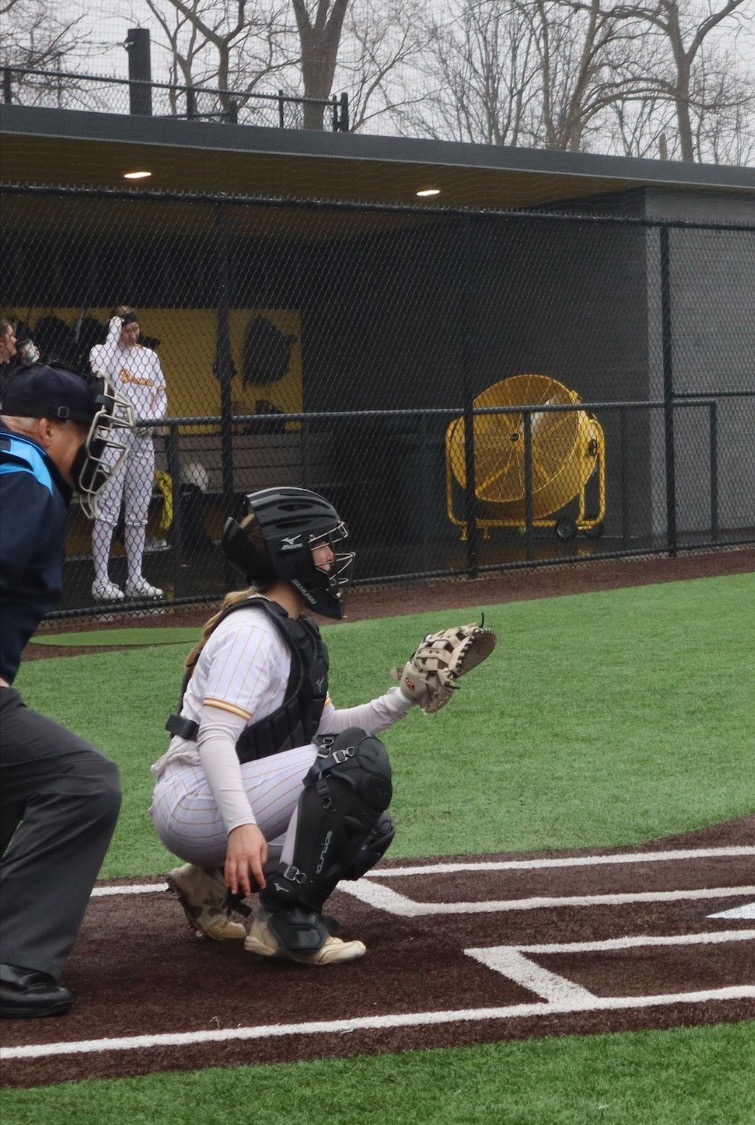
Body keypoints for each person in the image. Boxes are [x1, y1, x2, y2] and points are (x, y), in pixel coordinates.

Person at [149, 487, 475, 966]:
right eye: (322, 546)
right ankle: (283, 922)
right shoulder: (252, 634)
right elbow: (215, 738)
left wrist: (405, 694)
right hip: (194, 798)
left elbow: (327, 729)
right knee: (356, 762)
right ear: (291, 553)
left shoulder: (291, 627)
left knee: (366, 828)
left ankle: (209, 883)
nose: (331, 558)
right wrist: (241, 827)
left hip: (221, 791)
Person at [0, 364, 130, 1018]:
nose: (91, 447)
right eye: (83, 431)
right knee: (85, 781)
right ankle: (12, 962)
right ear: (48, 427)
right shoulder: (26, 480)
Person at [87, 307, 169, 601]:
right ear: (116, 328)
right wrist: (113, 332)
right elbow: (100, 370)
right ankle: (101, 580)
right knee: (107, 510)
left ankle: (135, 578)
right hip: (115, 434)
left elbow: (161, 393)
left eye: (135, 329)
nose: (132, 335)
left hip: (142, 438)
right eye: (126, 330)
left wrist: (153, 419)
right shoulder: (102, 351)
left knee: (138, 513)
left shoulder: (149, 356)